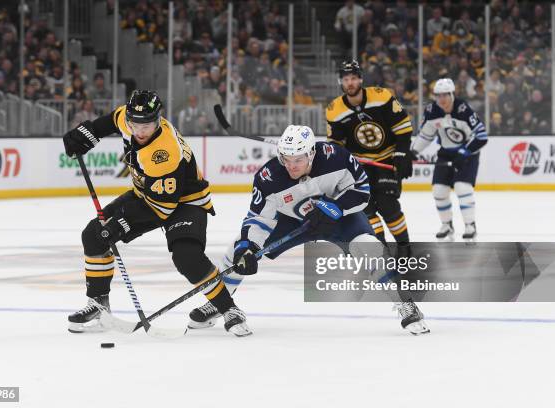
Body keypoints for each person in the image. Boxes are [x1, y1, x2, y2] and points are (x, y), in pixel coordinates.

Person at [187, 125, 429, 335]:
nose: (291, 167)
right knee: (237, 249)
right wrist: (247, 247)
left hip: (340, 218)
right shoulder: (269, 177)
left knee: (370, 247)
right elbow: (258, 220)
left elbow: (362, 192)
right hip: (293, 221)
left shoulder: (338, 157)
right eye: (286, 159)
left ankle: (405, 303)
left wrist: (335, 207)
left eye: (298, 160)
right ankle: (221, 303)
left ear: (311, 153)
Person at [62, 90, 251, 337]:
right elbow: (110, 120)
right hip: (147, 193)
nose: (140, 131)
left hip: (185, 202)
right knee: (94, 235)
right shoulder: (128, 119)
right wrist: (84, 134)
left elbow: (162, 208)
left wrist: (121, 226)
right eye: (134, 124)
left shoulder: (164, 152)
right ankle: (98, 304)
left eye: (147, 124)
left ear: (159, 120)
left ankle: (229, 309)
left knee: (187, 257)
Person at [326, 60, 414, 256]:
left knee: (388, 206)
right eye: (346, 79)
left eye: (354, 78)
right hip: (359, 165)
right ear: (341, 82)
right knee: (366, 208)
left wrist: (403, 153)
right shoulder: (335, 109)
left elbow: (402, 128)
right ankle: (382, 250)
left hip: (386, 159)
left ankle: (404, 247)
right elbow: (337, 144)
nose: (350, 83)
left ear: (361, 79)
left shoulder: (381, 97)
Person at [411, 78, 487, 241]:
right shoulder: (432, 111)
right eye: (438, 95)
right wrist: (413, 151)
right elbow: (426, 135)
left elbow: (481, 136)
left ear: (452, 94)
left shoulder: (464, 109)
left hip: (468, 154)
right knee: (438, 190)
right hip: (445, 153)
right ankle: (447, 225)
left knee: (462, 188)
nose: (442, 99)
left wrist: (464, 152)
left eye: (445, 95)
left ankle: (470, 225)